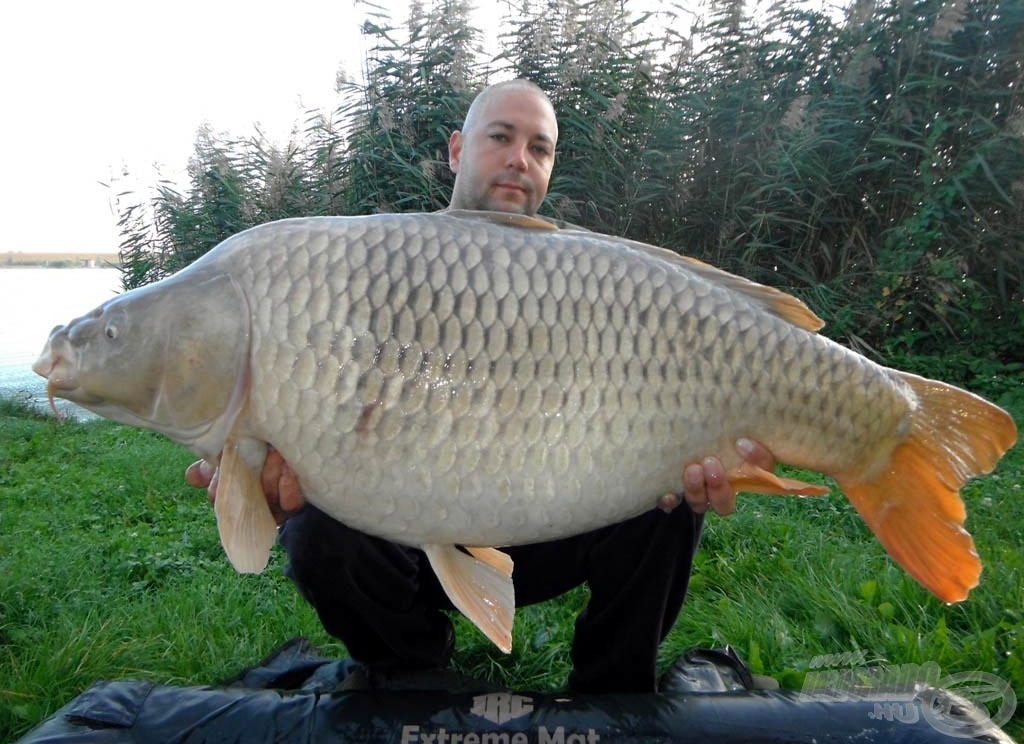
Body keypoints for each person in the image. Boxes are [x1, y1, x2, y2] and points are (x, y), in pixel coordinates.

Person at [187, 79, 776, 693]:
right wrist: (269, 481)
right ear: (456, 150)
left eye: (540, 148)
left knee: (672, 491)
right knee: (315, 527)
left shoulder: (590, 281)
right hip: (403, 530)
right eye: (501, 137)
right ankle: (407, 669)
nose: (520, 157)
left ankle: (614, 689)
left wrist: (714, 451)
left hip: (551, 518)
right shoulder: (373, 266)